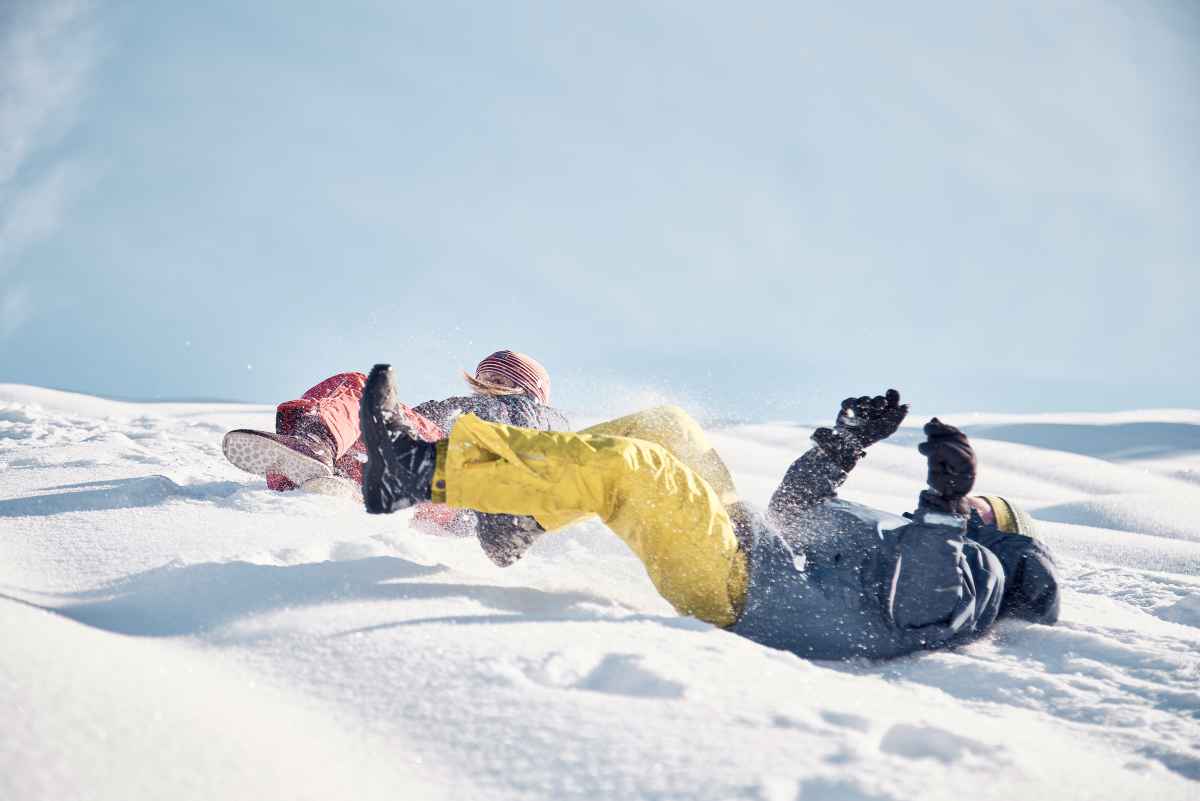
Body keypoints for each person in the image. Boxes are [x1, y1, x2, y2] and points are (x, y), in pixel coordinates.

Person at [358, 364, 1059, 661]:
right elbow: (791, 511)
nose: (975, 508)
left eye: (987, 509)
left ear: (1002, 537)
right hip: (748, 543)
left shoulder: (977, 576)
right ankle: (521, 519)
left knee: (636, 470)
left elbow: (918, 605)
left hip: (742, 589)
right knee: (668, 427)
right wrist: (844, 446)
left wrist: (943, 506)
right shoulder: (905, 538)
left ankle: (416, 471)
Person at [221, 350, 569, 563]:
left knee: (359, 388)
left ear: (527, 389)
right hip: (441, 501)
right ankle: (316, 477)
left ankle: (312, 447)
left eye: (499, 378)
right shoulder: (475, 409)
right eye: (483, 377)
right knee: (356, 439)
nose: (486, 383)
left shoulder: (533, 416)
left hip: (453, 478)